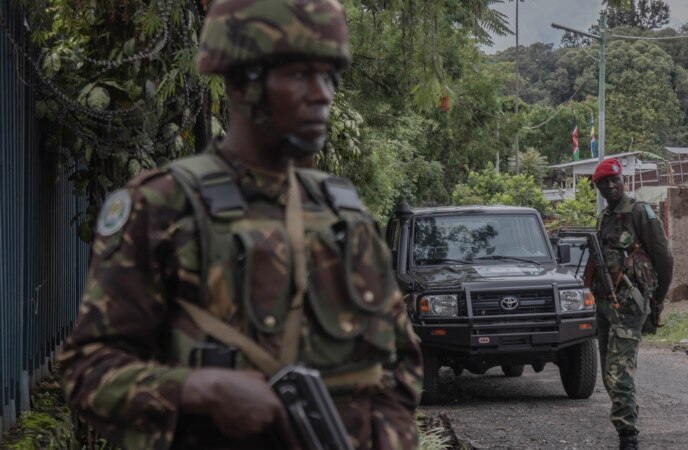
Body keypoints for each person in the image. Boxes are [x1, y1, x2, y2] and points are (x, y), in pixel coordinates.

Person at [58, 1, 422, 449]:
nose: (323, 94)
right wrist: (198, 391)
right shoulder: (160, 207)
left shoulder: (344, 213)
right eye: (299, 75)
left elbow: (400, 367)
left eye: (329, 76)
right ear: (242, 82)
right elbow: (87, 370)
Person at [589, 158, 673, 450]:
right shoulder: (604, 217)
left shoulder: (639, 212)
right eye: (605, 183)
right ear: (597, 186)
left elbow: (664, 258)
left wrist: (658, 300)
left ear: (622, 181)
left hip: (629, 305)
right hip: (604, 304)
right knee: (608, 375)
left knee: (619, 373)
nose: (611, 186)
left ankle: (629, 437)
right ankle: (628, 422)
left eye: (615, 181)